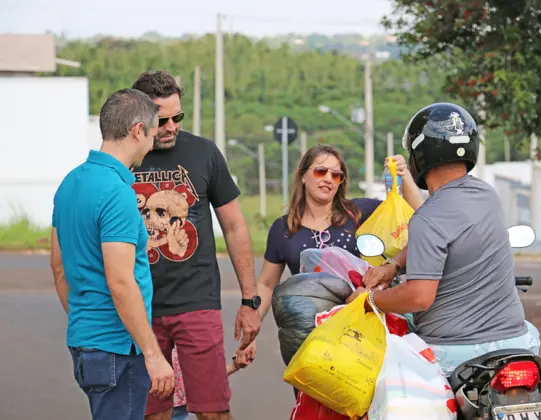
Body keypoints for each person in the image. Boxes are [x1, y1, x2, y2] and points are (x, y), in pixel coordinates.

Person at [351, 102, 541, 375]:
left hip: (452, 351)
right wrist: (393, 265)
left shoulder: (427, 218)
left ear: (420, 157)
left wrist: (368, 300)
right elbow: (444, 237)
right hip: (516, 342)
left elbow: (418, 297)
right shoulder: (487, 196)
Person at [130, 70, 260, 420]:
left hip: (196, 301)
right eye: (162, 120)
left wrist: (250, 300)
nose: (172, 126)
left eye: (178, 117)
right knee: (150, 413)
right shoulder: (124, 159)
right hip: (140, 306)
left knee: (213, 411)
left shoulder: (204, 153)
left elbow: (234, 227)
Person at [50, 88, 175, 420]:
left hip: (85, 341)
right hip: (118, 347)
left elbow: (59, 268)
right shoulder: (117, 193)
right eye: (151, 134)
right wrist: (152, 353)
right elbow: (120, 280)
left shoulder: (70, 183)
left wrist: (87, 322)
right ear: (137, 130)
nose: (151, 144)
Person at [246, 144, 424, 359]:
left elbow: (421, 215)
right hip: (309, 339)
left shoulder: (359, 213)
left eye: (336, 175)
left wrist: (404, 176)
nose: (328, 179)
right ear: (302, 175)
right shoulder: (283, 229)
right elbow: (266, 284)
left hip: (361, 334)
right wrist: (251, 330)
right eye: (320, 171)